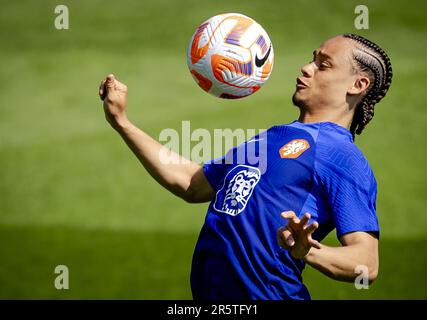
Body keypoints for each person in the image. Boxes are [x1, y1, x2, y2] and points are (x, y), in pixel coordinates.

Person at [98, 33, 392, 300]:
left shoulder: (341, 156)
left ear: (358, 84)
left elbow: (367, 263)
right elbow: (191, 183)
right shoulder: (270, 137)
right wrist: (121, 122)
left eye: (323, 65)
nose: (306, 68)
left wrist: (309, 252)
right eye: (311, 59)